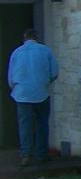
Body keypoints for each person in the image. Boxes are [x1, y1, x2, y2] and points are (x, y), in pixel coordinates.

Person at [8, 28, 59, 167]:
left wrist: (18, 89)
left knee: (25, 125)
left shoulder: (17, 52)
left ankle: (25, 155)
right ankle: (41, 154)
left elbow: (11, 77)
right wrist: (44, 83)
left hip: (22, 94)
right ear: (37, 37)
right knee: (42, 124)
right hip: (41, 92)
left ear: (24, 38)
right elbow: (54, 72)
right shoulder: (45, 51)